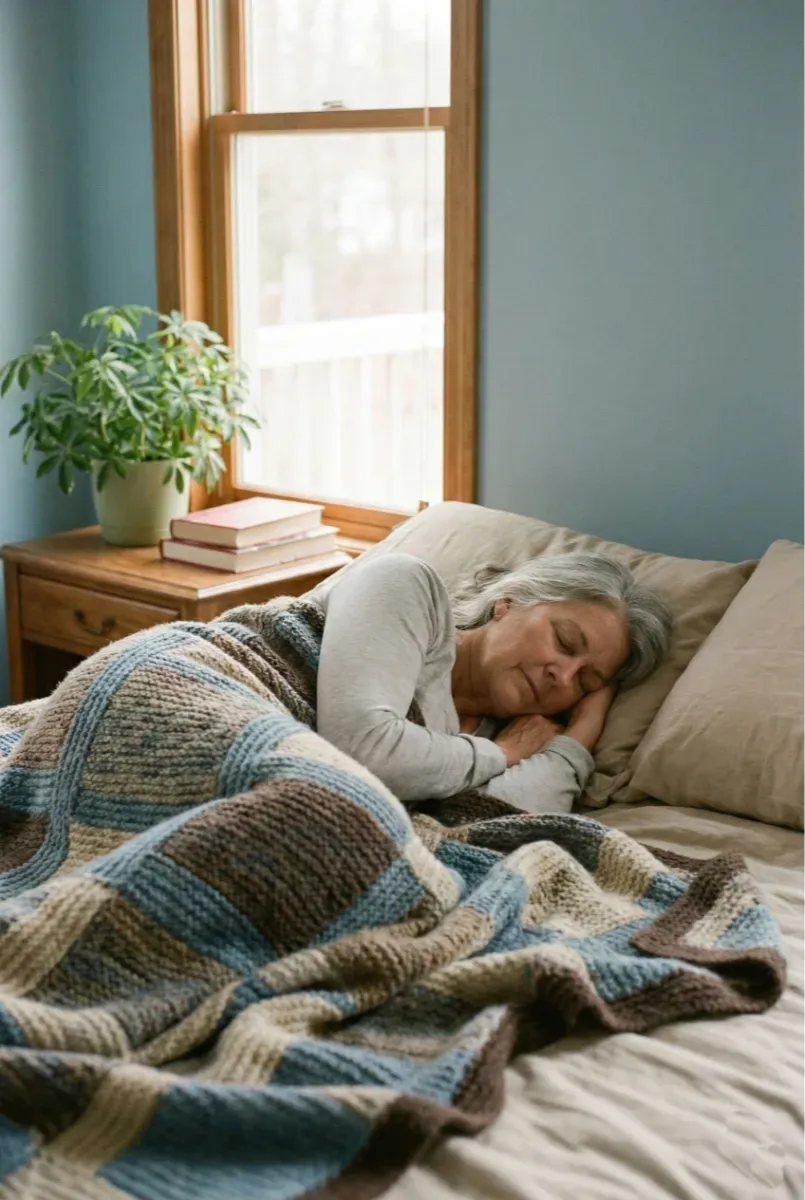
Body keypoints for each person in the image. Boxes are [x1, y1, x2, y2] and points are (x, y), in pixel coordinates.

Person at [315, 551, 672, 814]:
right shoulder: (405, 585)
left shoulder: (494, 740)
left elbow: (493, 828)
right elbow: (361, 750)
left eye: (585, 682)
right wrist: (504, 753)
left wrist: (575, 740)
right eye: (564, 641)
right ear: (508, 602)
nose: (562, 677)